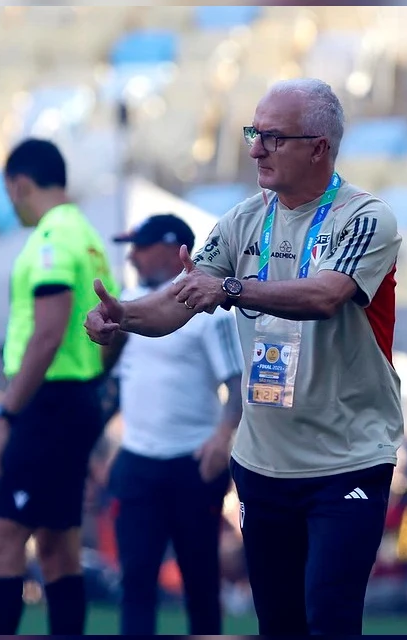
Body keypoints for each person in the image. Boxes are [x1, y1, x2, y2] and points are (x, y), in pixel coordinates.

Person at [85, 78, 403, 635]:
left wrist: (231, 289)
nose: (255, 148)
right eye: (254, 133)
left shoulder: (366, 218)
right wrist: (125, 316)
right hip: (263, 464)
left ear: (318, 148)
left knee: (329, 615)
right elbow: (181, 301)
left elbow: (326, 296)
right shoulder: (242, 220)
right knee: (279, 625)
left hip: (348, 460)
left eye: (272, 138)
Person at [0, 138, 118, 635]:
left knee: (1, 542)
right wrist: (95, 388)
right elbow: (113, 328)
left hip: (44, 403)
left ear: (19, 185)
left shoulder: (53, 239)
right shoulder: (90, 238)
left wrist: (3, 419)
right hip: (74, 399)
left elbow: (48, 334)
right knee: (58, 550)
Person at [100, 213, 245, 635]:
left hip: (192, 463)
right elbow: (115, 381)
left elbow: (235, 381)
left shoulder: (207, 309)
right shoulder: (128, 304)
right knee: (135, 582)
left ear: (167, 248)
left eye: (140, 247)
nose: (132, 256)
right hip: (138, 461)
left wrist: (223, 435)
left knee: (200, 582)